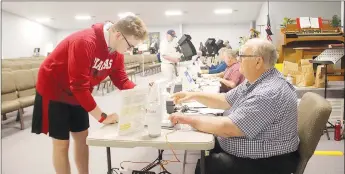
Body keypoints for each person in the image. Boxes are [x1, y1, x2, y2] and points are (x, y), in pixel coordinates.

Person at [31, 16, 148, 174]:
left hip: (79, 91)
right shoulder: (85, 41)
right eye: (129, 46)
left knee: (82, 138)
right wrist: (103, 116)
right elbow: (78, 86)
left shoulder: (116, 51)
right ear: (118, 35)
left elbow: (121, 80)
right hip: (54, 90)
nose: (129, 50)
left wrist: (143, 93)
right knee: (61, 144)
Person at [170, 38, 300, 174]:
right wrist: (194, 95)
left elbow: (227, 129)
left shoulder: (268, 92)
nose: (238, 60)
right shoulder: (257, 81)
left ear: (258, 61)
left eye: (242, 56)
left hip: (269, 162)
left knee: (207, 165)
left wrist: (187, 119)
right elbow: (224, 99)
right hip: (259, 152)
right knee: (207, 148)